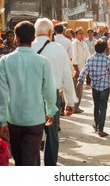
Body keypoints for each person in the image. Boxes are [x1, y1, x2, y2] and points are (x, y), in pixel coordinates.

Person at [0, 21, 58, 166]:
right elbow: (49, 89)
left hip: (14, 119)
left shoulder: (5, 60)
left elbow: (2, 92)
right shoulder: (42, 62)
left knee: (19, 161)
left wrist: (2, 120)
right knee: (29, 161)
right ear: (33, 38)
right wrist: (50, 110)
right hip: (35, 119)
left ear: (16, 38)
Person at [32, 18, 77, 166]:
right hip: (53, 95)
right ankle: (50, 165)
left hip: (32, 97)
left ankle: (35, 165)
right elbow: (67, 76)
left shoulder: (28, 47)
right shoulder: (58, 49)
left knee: (34, 133)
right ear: (50, 32)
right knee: (52, 134)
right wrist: (70, 102)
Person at [76, 39, 110, 137]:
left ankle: (96, 125)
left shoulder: (90, 59)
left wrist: (80, 81)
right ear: (105, 49)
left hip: (95, 87)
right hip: (105, 87)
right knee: (103, 108)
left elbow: (85, 70)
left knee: (96, 106)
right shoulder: (107, 59)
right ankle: (100, 129)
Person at [71, 27, 90, 113]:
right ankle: (74, 107)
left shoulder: (84, 44)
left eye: (82, 33)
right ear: (76, 35)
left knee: (80, 89)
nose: (81, 35)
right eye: (80, 33)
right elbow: (74, 58)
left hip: (83, 69)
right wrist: (77, 71)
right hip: (76, 70)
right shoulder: (74, 44)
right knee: (76, 89)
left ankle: (77, 106)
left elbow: (88, 56)